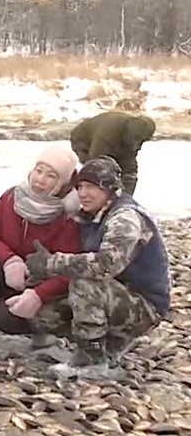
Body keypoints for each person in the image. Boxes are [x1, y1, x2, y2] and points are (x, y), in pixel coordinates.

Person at [26, 156, 171, 367]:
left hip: (144, 304)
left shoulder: (125, 218)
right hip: (115, 294)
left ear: (110, 189)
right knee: (44, 312)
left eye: (92, 187)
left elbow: (106, 265)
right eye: (80, 186)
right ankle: (110, 342)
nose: (83, 193)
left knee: (86, 282)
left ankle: (91, 358)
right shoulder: (88, 215)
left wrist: (51, 264)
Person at [0, 145, 82, 348]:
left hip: (48, 285)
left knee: (3, 317)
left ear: (63, 183)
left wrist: (38, 295)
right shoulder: (12, 197)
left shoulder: (70, 216)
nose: (40, 179)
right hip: (15, 274)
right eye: (38, 171)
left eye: (51, 176)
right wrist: (10, 260)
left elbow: (71, 269)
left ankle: (47, 330)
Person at [70, 110, 155, 196]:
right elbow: (95, 161)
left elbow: (130, 158)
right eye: (137, 141)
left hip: (119, 139)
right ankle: (97, 199)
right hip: (83, 142)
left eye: (142, 141)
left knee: (130, 173)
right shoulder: (106, 136)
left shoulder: (139, 129)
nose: (139, 147)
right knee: (100, 171)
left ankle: (125, 200)